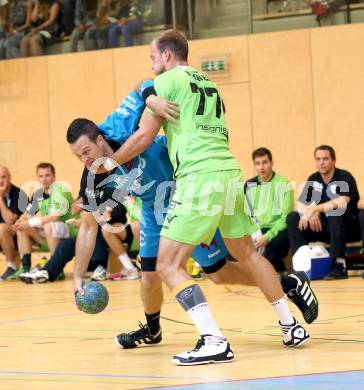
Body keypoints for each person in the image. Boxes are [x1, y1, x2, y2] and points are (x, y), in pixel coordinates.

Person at [103, 30, 311, 365]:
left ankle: (213, 340)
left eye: (153, 56)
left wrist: (109, 163)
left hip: (198, 176)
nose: (152, 62)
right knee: (246, 253)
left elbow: (143, 136)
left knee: (167, 264)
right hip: (228, 171)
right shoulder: (209, 84)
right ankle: (291, 326)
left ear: (168, 56)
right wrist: (147, 93)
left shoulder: (169, 80)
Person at [287, 145, 361, 280]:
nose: (321, 162)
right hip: (326, 229)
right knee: (293, 218)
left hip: (349, 228)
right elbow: (302, 205)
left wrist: (315, 209)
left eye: (325, 159)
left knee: (334, 212)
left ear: (333, 160)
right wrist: (310, 213)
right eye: (318, 159)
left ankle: (339, 265)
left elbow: (341, 202)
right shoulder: (314, 179)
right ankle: (300, 267)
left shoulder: (344, 177)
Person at [14, 162, 77, 274]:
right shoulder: (38, 194)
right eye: (41, 176)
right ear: (37, 178)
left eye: (47, 175)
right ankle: (25, 269)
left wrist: (29, 223)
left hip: (71, 231)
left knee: (49, 225)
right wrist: (21, 221)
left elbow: (55, 217)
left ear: (54, 176)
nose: (44, 179)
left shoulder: (60, 190)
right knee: (21, 229)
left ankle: (56, 269)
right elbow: (27, 214)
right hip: (50, 235)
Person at [245, 147, 293, 274]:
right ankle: (278, 268)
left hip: (277, 230)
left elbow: (286, 218)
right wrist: (254, 232)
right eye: (258, 163)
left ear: (271, 163)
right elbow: (248, 214)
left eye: (265, 162)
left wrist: (268, 236)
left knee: (275, 246)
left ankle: (266, 271)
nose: (262, 167)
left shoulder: (283, 183)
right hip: (257, 230)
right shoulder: (249, 185)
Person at [0, 166, 28, 280]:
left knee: (1, 228)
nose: (0, 181)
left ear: (10, 177)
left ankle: (11, 266)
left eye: (3, 177)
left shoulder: (20, 194)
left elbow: (10, 221)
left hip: (19, 234)